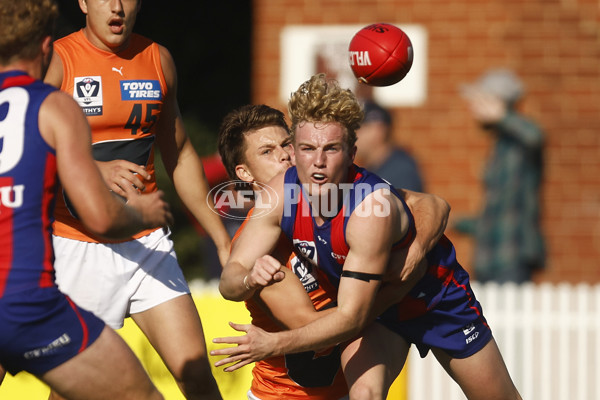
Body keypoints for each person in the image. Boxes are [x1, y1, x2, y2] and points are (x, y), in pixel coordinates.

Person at [211, 74, 522, 400]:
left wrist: (416, 251)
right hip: (372, 320)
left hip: (435, 301)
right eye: (304, 148)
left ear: (351, 153)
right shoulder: (278, 199)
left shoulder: (369, 209)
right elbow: (233, 280)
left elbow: (435, 205)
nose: (316, 162)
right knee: (364, 395)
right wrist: (249, 278)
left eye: (330, 149)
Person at [43, 0, 229, 398]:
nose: (116, 7)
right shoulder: (56, 59)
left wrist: (221, 237)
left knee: (194, 372)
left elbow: (178, 151)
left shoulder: (157, 58)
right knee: (73, 389)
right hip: (76, 244)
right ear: (83, 3)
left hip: (146, 242)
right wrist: (90, 168)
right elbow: (25, 145)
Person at [216, 104, 451, 399]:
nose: (284, 155)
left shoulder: (333, 200)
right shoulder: (263, 255)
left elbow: (433, 204)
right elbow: (320, 338)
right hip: (282, 396)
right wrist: (397, 289)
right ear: (244, 172)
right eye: (267, 151)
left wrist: (416, 250)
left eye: (287, 143)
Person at [0, 0, 174, 398]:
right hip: (25, 303)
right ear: (46, 48)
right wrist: (143, 212)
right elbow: (101, 217)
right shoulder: (53, 106)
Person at [455, 68, 545, 284]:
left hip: (512, 258)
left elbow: (535, 136)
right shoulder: (502, 144)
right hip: (489, 258)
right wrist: (458, 222)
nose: (472, 107)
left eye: (479, 100)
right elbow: (499, 211)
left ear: (495, 102)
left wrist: (502, 115)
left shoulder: (521, 140)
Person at [355, 100, 424, 192]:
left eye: (357, 128)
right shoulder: (377, 167)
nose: (354, 134)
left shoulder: (400, 171)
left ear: (377, 130)